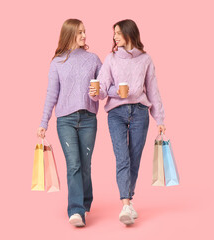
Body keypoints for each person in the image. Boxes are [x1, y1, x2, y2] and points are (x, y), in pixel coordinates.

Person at [89, 19, 166, 225]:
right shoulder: (111, 59)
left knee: (134, 157)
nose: (114, 36)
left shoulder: (146, 60)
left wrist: (159, 118)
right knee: (122, 157)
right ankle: (125, 203)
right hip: (116, 113)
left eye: (118, 33)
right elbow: (103, 88)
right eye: (113, 33)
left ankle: (129, 200)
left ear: (129, 34)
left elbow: (152, 89)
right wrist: (97, 93)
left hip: (140, 112)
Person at [38, 19, 102, 227]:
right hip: (65, 120)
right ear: (70, 34)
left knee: (85, 165)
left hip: (88, 119)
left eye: (85, 32)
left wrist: (98, 93)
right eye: (80, 32)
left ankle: (85, 201)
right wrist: (43, 122)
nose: (84, 36)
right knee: (73, 164)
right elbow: (51, 94)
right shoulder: (57, 62)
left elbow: (103, 89)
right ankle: (76, 210)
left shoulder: (93, 59)